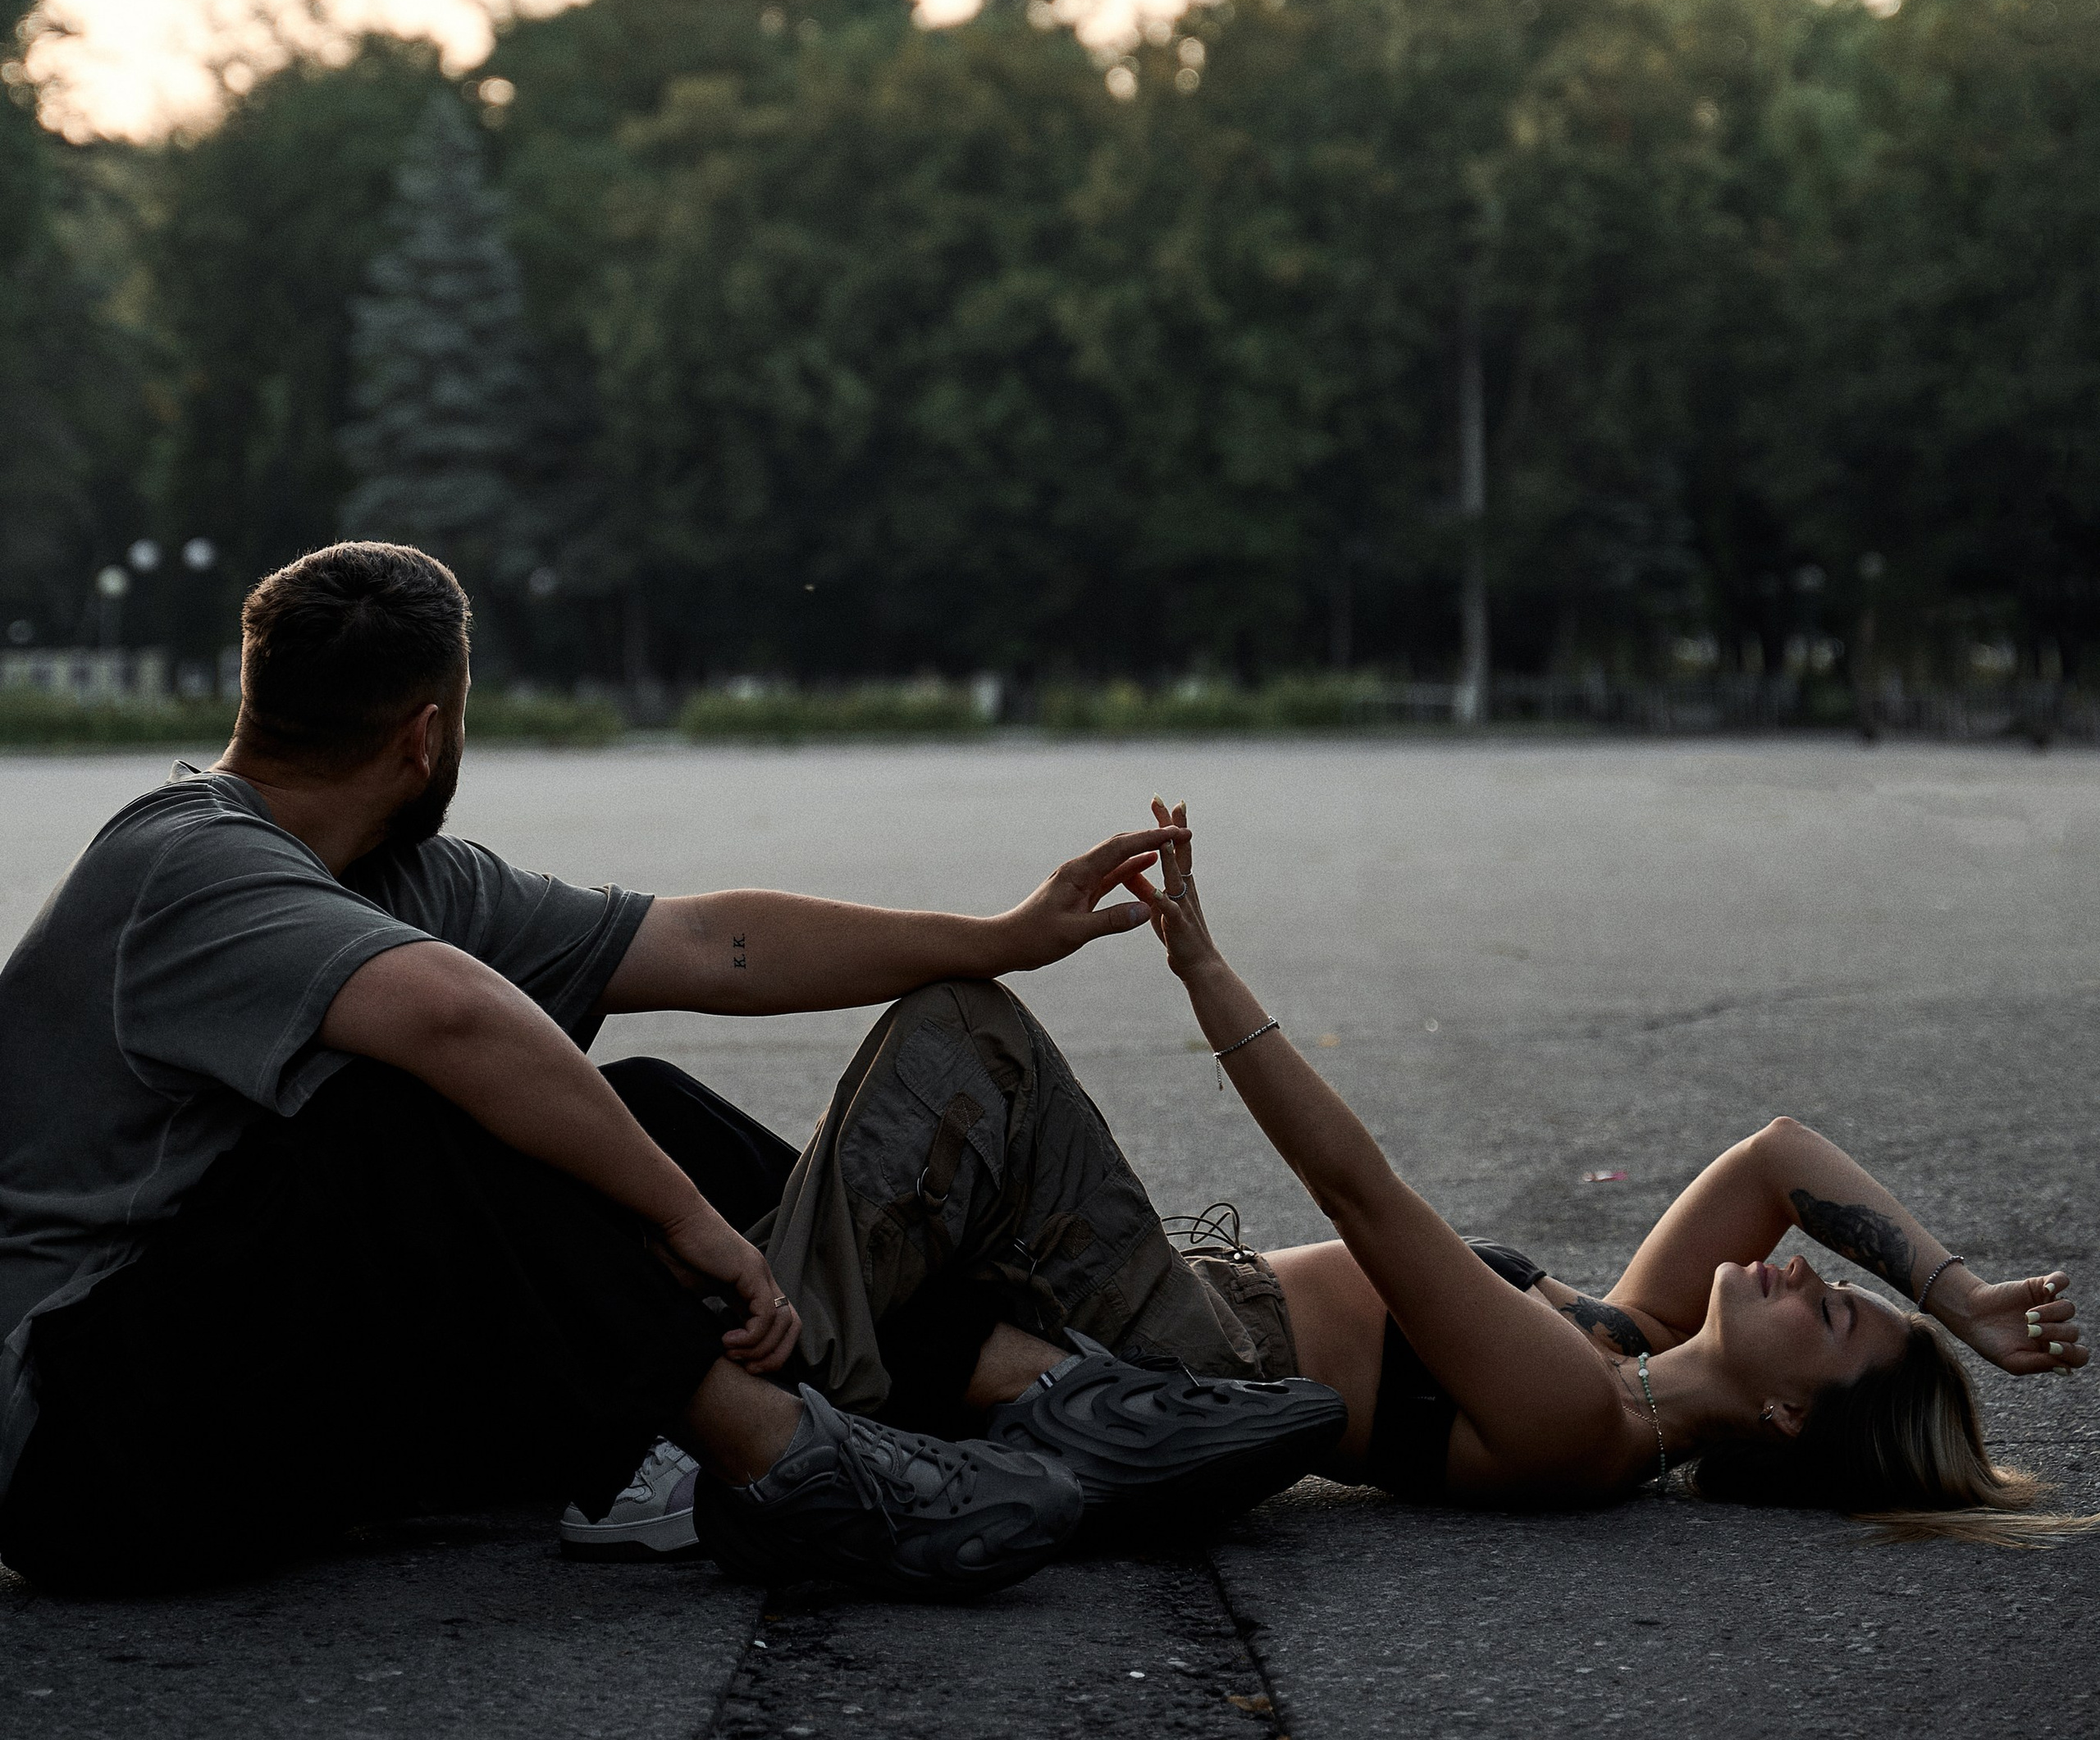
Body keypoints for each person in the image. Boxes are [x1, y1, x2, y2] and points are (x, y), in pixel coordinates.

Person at [0, 546, 1338, 1600]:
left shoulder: (394, 880)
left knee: (628, 1096)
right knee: (405, 1100)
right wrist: (691, 1225)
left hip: (283, 1411)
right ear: (427, 731)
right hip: (92, 1458)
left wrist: (1002, 933)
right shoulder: (183, 859)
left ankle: (1027, 1390)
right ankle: (786, 1459)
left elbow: (709, 941)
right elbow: (455, 1018)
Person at [1125, 796, 2093, 1546]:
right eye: (1837, 1279)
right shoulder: (1638, 1338)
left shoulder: (1583, 1422)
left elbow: (1360, 1193)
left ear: (1785, 1414)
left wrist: (1205, 971)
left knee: (979, 1042)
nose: (1803, 1266)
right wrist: (1958, 1295)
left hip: (1155, 1355)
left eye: (1831, 1309)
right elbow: (1777, 1154)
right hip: (1162, 1298)